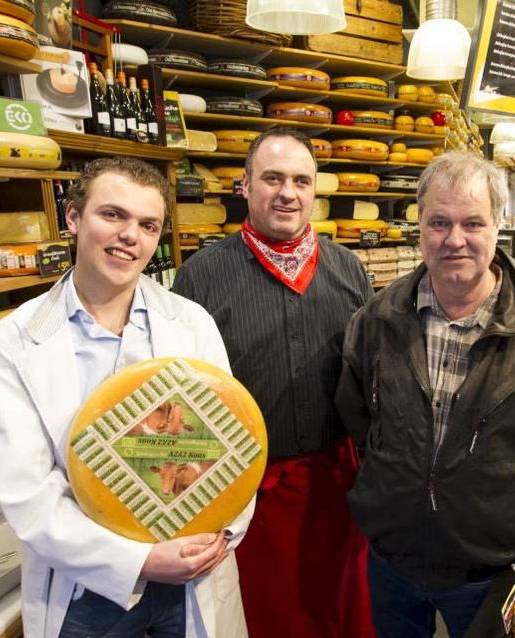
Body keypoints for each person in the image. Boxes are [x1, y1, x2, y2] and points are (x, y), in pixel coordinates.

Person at [0, 157, 252, 638]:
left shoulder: (192, 323)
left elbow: (233, 448)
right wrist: (139, 560)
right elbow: (27, 491)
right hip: (88, 588)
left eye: (148, 225)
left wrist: (223, 533)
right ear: (73, 218)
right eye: (112, 215)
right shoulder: (13, 340)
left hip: (191, 573)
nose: (130, 235)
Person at [335, 151, 515, 638]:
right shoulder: (375, 322)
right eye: (439, 223)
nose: (455, 240)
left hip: (490, 569)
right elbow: (363, 426)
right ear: (420, 226)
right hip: (394, 560)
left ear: (499, 224)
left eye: (472, 223)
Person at [172, 128, 375, 637]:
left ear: (314, 190)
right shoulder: (200, 276)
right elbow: (181, 399)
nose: (288, 192)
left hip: (338, 487)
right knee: (268, 620)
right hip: (247, 495)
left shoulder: (348, 269)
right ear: (245, 186)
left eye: (301, 180)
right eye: (273, 178)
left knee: (341, 614)